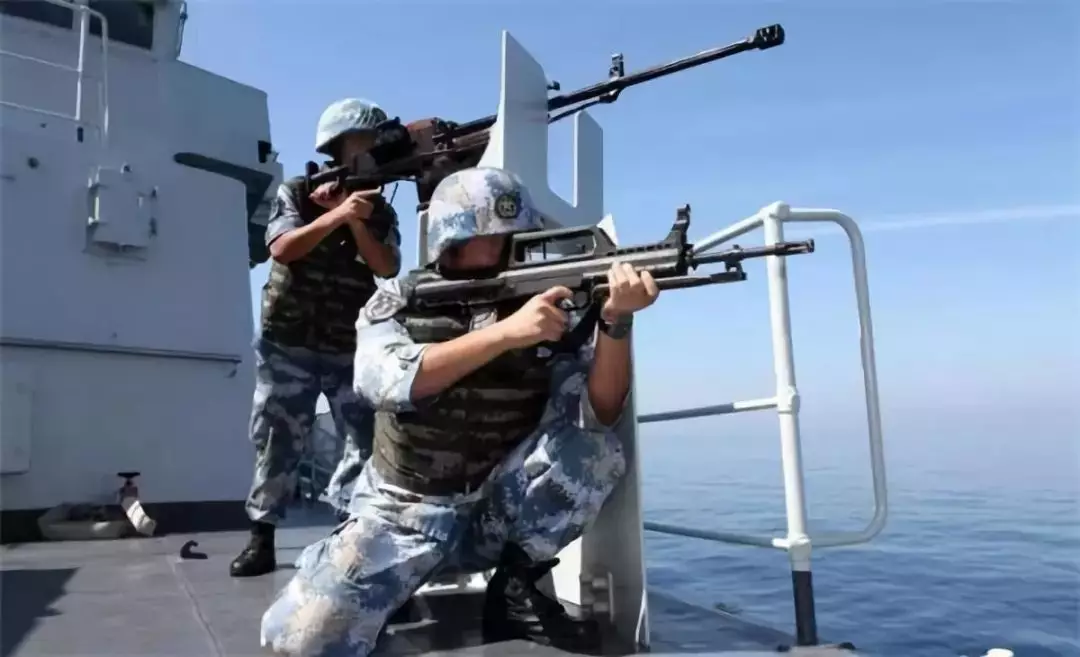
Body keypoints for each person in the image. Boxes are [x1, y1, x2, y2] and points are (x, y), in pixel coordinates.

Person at [259, 166, 660, 656]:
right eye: (493, 236)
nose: (508, 246)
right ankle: (377, 581)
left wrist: (615, 321)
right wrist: (507, 333)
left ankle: (514, 590)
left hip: (491, 515)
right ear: (452, 240)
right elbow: (383, 382)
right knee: (297, 639)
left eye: (517, 236)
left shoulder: (546, 308)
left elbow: (601, 410)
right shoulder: (400, 300)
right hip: (403, 518)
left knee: (595, 453)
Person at [230, 98, 403, 578]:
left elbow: (386, 266)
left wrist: (355, 218)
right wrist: (335, 215)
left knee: (364, 438)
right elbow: (283, 248)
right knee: (278, 438)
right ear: (340, 146)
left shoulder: (379, 211)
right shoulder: (298, 192)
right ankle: (262, 537)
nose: (374, 151)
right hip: (290, 340)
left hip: (348, 343)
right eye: (366, 142)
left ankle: (351, 531)